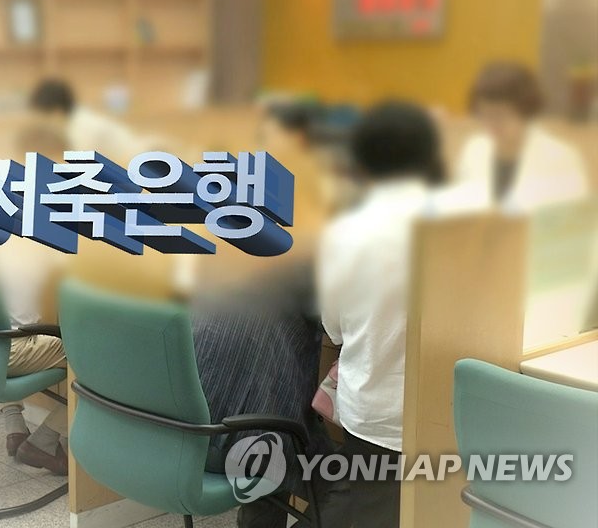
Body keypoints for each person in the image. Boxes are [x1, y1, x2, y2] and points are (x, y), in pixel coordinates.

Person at [316, 101, 447, 528]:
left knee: (368, 507)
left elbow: (334, 329)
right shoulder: (461, 224)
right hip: (445, 411)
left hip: (371, 413)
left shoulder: (343, 232)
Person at [192, 260, 344, 528]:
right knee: (350, 484)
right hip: (248, 438)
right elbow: (344, 323)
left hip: (186, 433)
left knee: (271, 445)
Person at [0, 123, 71, 476]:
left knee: (7, 321)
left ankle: (14, 425)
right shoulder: (47, 213)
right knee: (102, 360)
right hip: (10, 349)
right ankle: (43, 442)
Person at [457, 61, 588, 212]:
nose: (490, 123)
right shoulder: (473, 150)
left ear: (526, 112)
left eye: (500, 115)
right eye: (483, 114)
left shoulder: (561, 157)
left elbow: (578, 219)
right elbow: (461, 206)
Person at [29, 78, 142, 159]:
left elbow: (84, 168)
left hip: (141, 163)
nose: (43, 124)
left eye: (43, 117)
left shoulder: (81, 129)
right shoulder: (80, 119)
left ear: (56, 112)